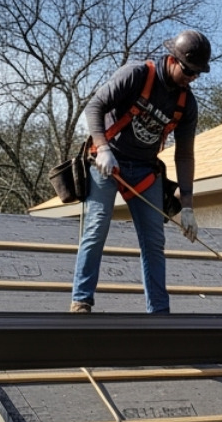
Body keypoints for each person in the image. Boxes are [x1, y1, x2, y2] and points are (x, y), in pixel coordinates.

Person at [70, 29, 209, 314]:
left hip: (145, 171)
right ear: (172, 60)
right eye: (188, 71)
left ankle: (159, 311)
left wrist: (188, 206)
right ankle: (81, 300)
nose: (191, 78)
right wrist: (103, 147)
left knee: (155, 240)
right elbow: (94, 106)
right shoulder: (136, 74)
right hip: (109, 163)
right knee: (97, 227)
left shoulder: (186, 104)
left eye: (197, 74)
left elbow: (184, 154)